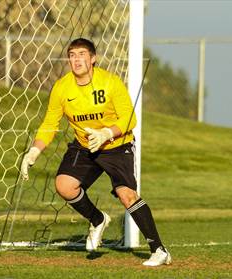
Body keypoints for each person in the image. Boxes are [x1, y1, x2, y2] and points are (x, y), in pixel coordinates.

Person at [20, 38, 171, 266]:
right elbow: (50, 124)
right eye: (72, 55)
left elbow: (130, 119)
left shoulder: (110, 82)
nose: (76, 59)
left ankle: (159, 250)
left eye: (82, 54)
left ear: (93, 59)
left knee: (126, 195)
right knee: (64, 185)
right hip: (85, 145)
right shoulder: (62, 87)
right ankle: (98, 219)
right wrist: (33, 151)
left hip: (116, 145)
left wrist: (106, 133)